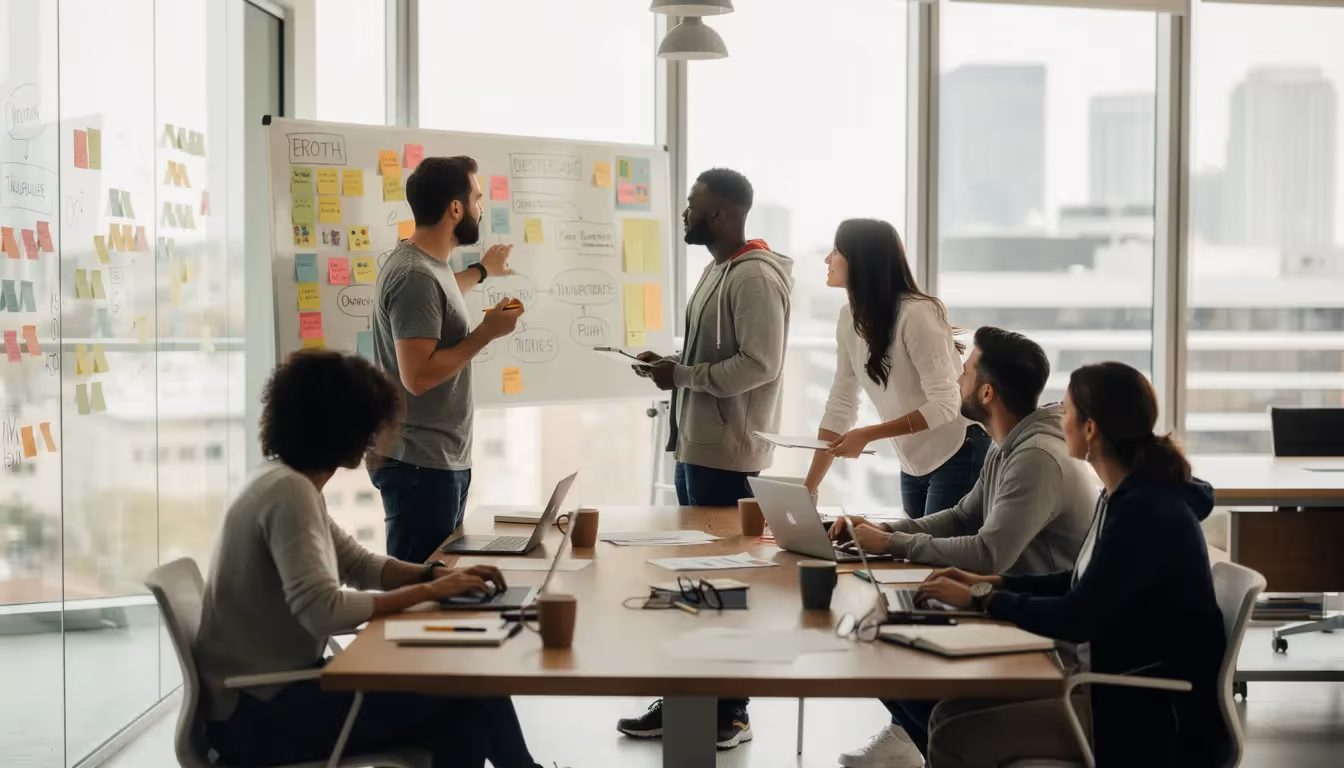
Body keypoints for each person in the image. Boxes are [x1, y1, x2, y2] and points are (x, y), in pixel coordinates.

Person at [195, 351, 541, 767]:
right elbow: (322, 611)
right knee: (468, 681)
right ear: (343, 427)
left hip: (265, 701)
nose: (375, 437)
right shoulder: (289, 493)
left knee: (463, 707)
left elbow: (359, 565)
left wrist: (433, 574)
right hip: (261, 717)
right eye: (370, 425)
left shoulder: (284, 480)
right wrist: (430, 590)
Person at [918, 362, 1229, 768]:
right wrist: (991, 580)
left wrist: (982, 599)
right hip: (1119, 687)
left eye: (1065, 412)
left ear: (1090, 428)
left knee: (954, 738)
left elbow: (1078, 616)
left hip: (1145, 713)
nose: (1058, 420)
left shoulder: (1147, 511)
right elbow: (1082, 582)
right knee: (947, 713)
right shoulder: (1126, 494)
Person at [831, 326, 1098, 767]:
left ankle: (956, 751)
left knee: (890, 655)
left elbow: (989, 555)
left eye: (967, 371)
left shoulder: (1037, 458)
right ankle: (947, 751)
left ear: (988, 392)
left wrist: (894, 542)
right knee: (876, 640)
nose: (957, 382)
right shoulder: (1007, 445)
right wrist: (883, 532)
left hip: (1044, 637)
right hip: (1004, 610)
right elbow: (961, 516)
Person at [620, 168, 793, 750]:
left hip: (730, 455)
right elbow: (713, 357)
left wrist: (685, 375)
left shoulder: (755, 277)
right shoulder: (715, 270)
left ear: (720, 213)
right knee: (695, 582)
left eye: (692, 204)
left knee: (727, 585)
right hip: (696, 445)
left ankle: (732, 712)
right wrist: (671, 364)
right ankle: (685, 702)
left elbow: (760, 363)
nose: (685, 213)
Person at [368, 156, 522, 563]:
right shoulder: (416, 275)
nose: (481, 208)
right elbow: (417, 376)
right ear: (456, 208)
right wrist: (487, 334)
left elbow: (440, 298)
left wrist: (482, 271)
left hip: (435, 463)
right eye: (477, 198)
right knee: (419, 595)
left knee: (435, 585)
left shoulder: (427, 267)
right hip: (420, 467)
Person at [803, 219, 990, 518]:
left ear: (862, 260)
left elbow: (946, 403)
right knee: (913, 556)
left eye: (837, 250)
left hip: (957, 450)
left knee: (932, 555)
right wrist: (808, 489)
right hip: (912, 460)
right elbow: (841, 401)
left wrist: (867, 434)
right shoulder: (847, 318)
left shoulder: (917, 313)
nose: (827, 258)